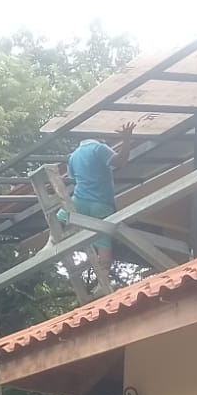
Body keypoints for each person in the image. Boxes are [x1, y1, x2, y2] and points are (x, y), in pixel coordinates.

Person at [56, 122, 136, 296]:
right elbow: (121, 162)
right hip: (101, 203)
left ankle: (51, 242)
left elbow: (74, 179)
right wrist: (127, 139)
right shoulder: (100, 148)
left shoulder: (74, 156)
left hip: (80, 200)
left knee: (61, 217)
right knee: (103, 242)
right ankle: (103, 281)